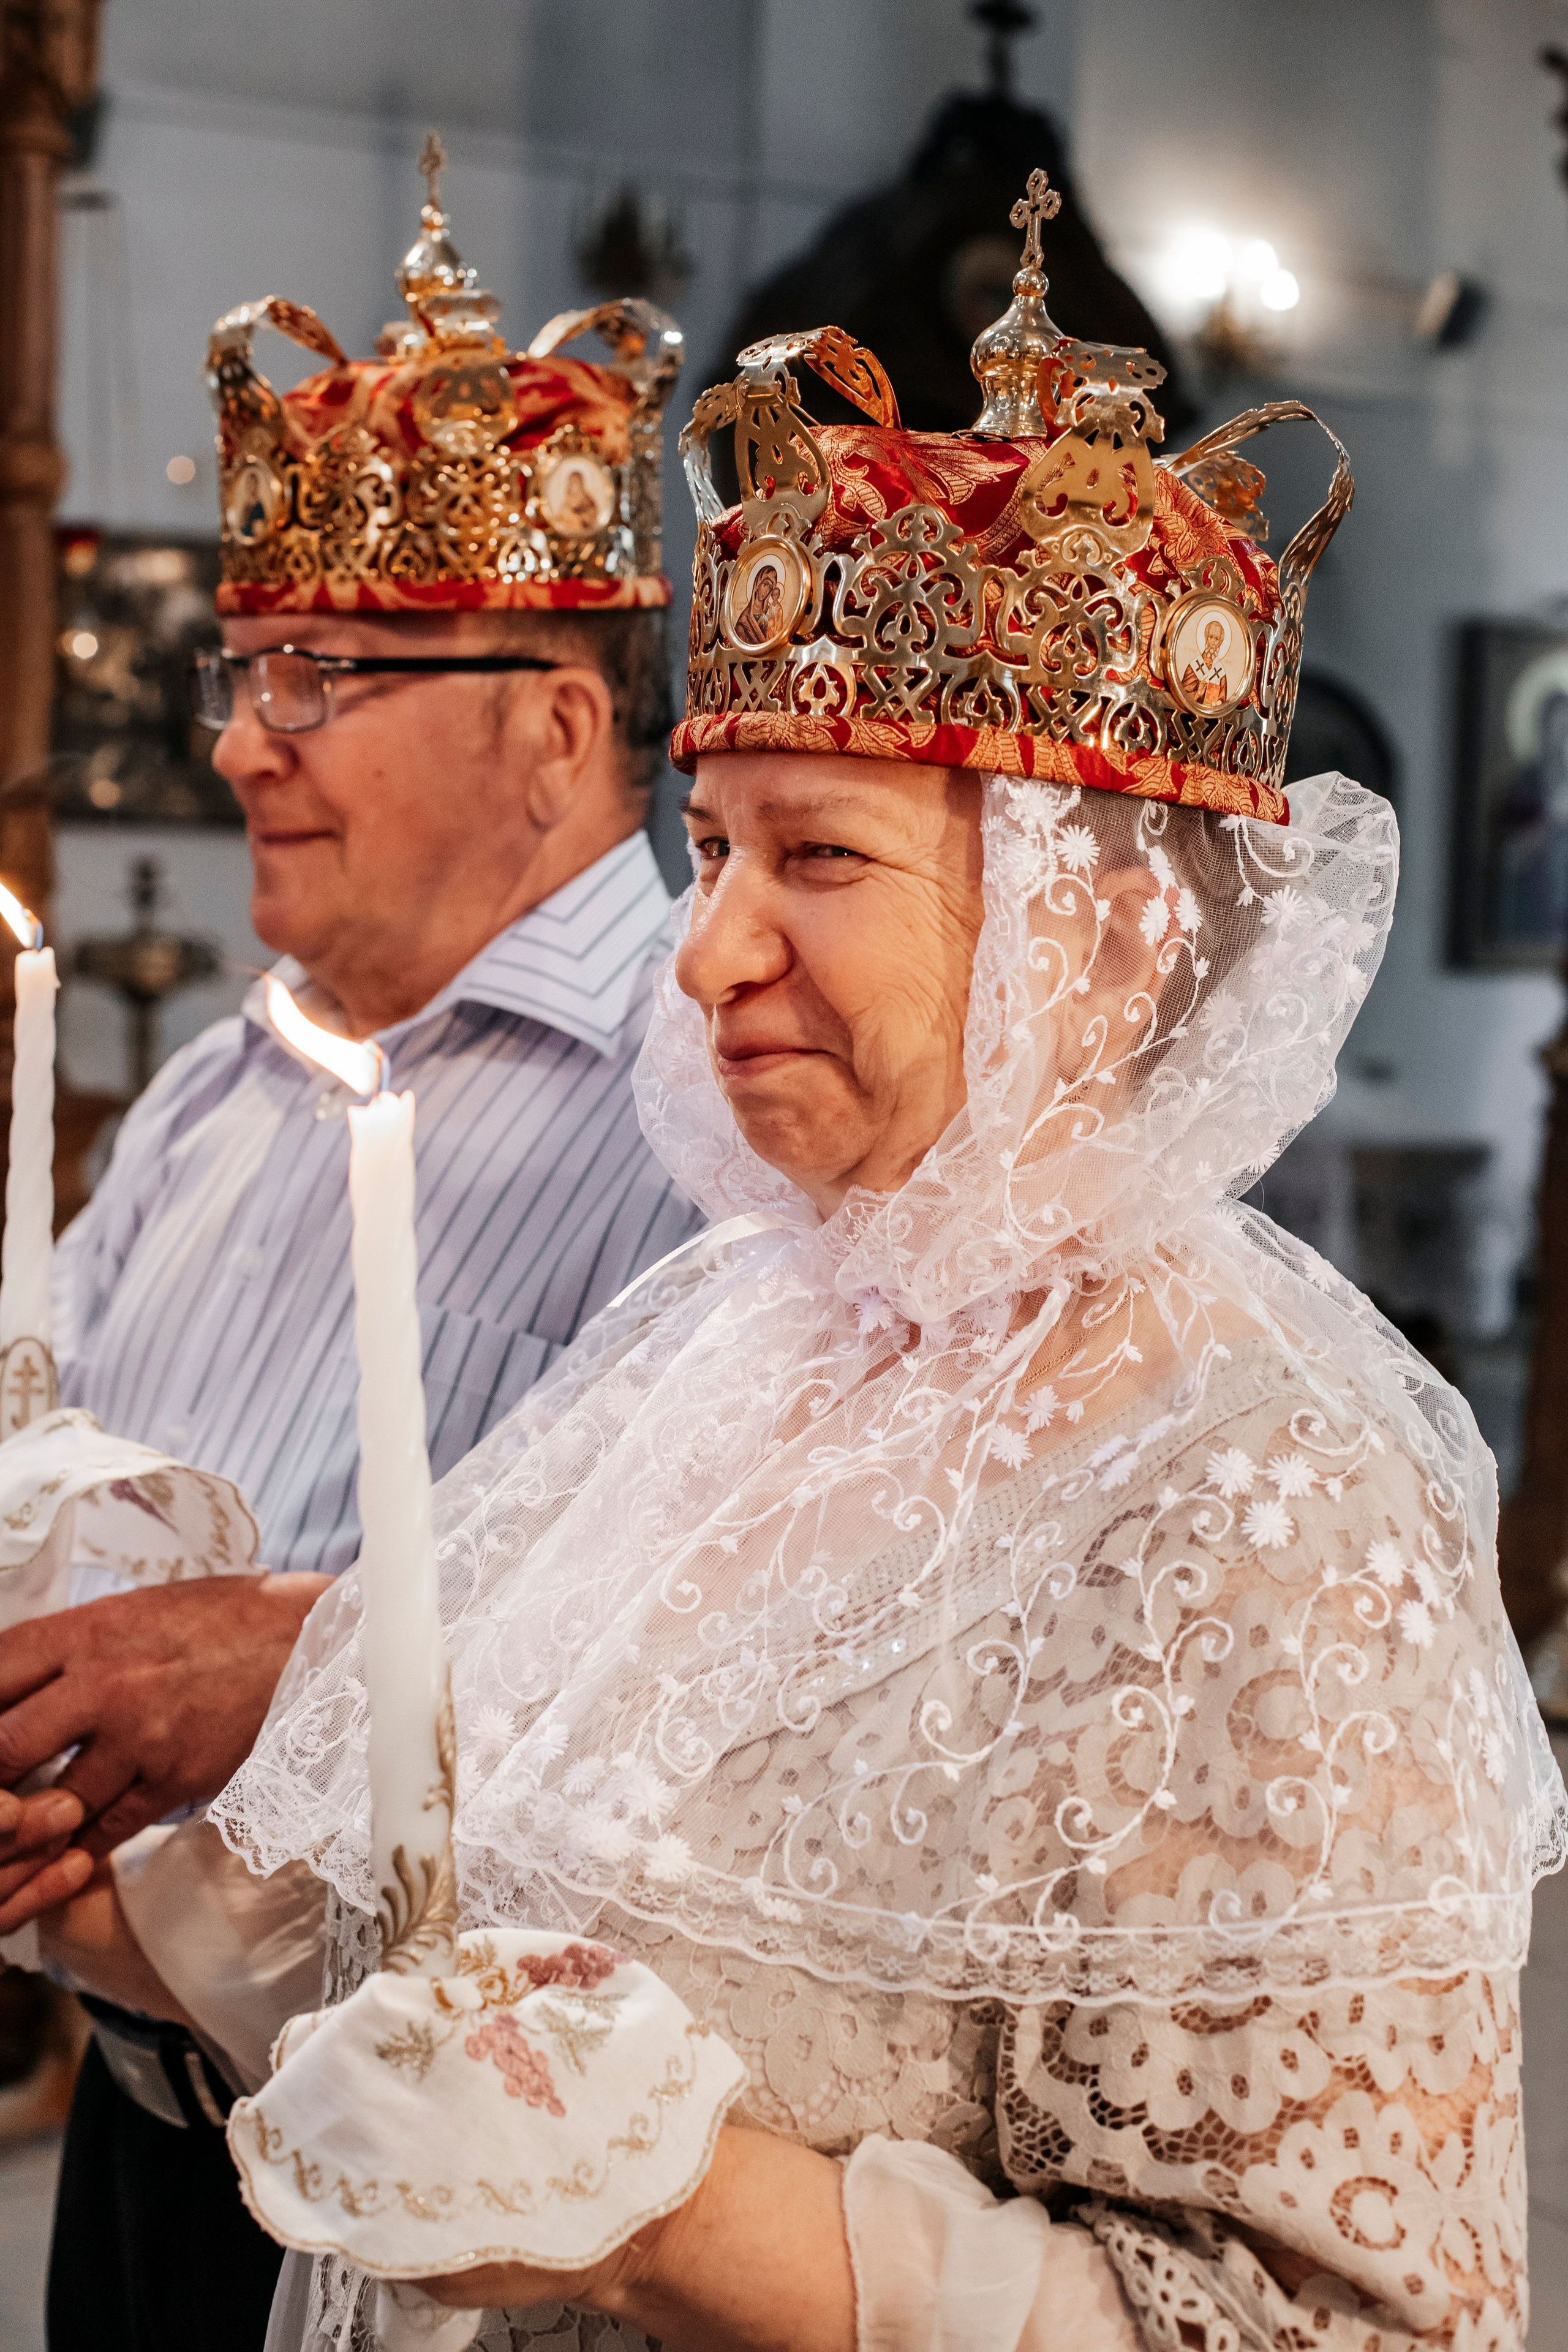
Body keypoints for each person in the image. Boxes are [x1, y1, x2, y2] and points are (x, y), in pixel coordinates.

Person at [34, 173, 1564, 2352]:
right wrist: (138, 1920)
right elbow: (470, 1957)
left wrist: (667, 2224)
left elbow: (1347, 2328)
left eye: (819, 857)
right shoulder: (731, 1337)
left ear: (1107, 933)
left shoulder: (1269, 1504)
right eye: (719, 843)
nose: (711, 945)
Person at [0, 164, 699, 2352]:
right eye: (244, 671)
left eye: (319, 679)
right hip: (137, 2103)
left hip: (459, 2189)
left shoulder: (706, 1115)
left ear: (552, 730)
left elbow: (677, 1664)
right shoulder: (233, 1083)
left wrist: (289, 1659)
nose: (234, 743)